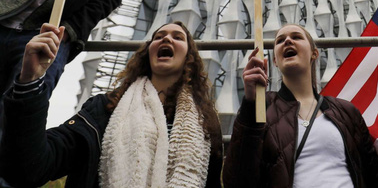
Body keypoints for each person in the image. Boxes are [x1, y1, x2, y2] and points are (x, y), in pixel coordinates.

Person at [0, 21, 223, 188]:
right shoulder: (103, 110)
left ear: (189, 58)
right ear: (148, 52)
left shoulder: (205, 125)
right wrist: (29, 82)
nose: (166, 39)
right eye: (159, 36)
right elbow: (29, 167)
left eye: (178, 37)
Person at [223, 23, 378, 188]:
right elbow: (237, 179)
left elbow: (375, 177)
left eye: (296, 37)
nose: (288, 41)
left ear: (314, 53)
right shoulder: (261, 108)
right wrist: (250, 105)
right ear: (275, 60)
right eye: (280, 41)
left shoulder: (346, 111)